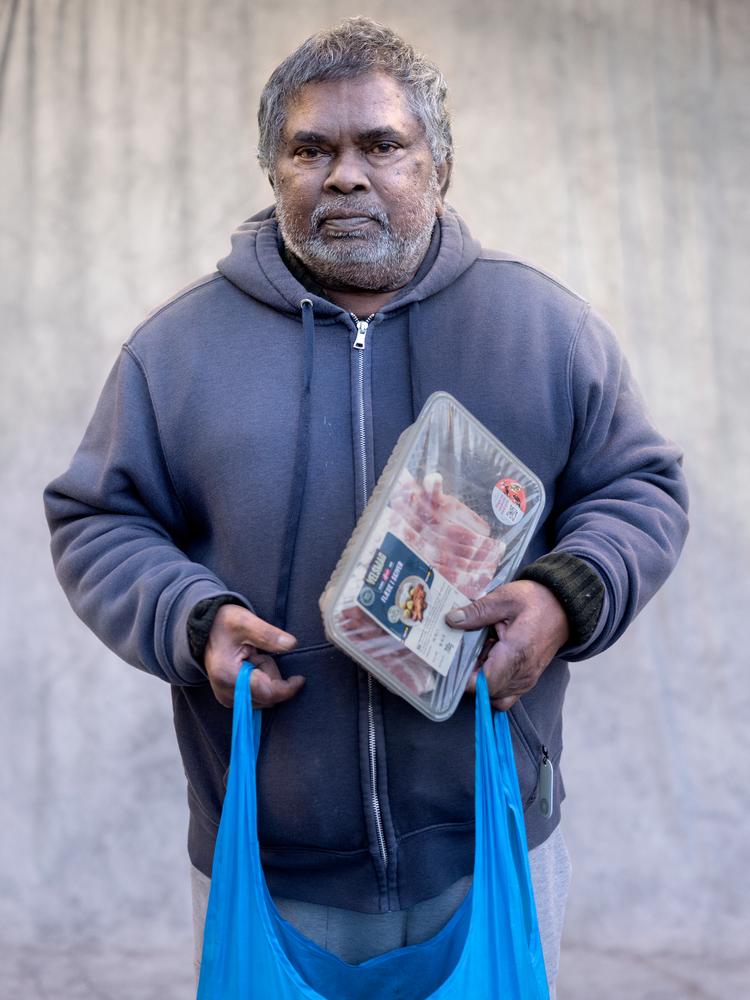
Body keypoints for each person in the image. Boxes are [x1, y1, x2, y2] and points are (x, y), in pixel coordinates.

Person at [43, 17, 688, 997]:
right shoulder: (175, 353)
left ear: (439, 166)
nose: (345, 174)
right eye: (312, 149)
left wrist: (566, 596)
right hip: (266, 858)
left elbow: (640, 487)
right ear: (274, 172)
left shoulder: (543, 329)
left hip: (489, 845)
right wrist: (192, 619)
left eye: (380, 145)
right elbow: (99, 517)